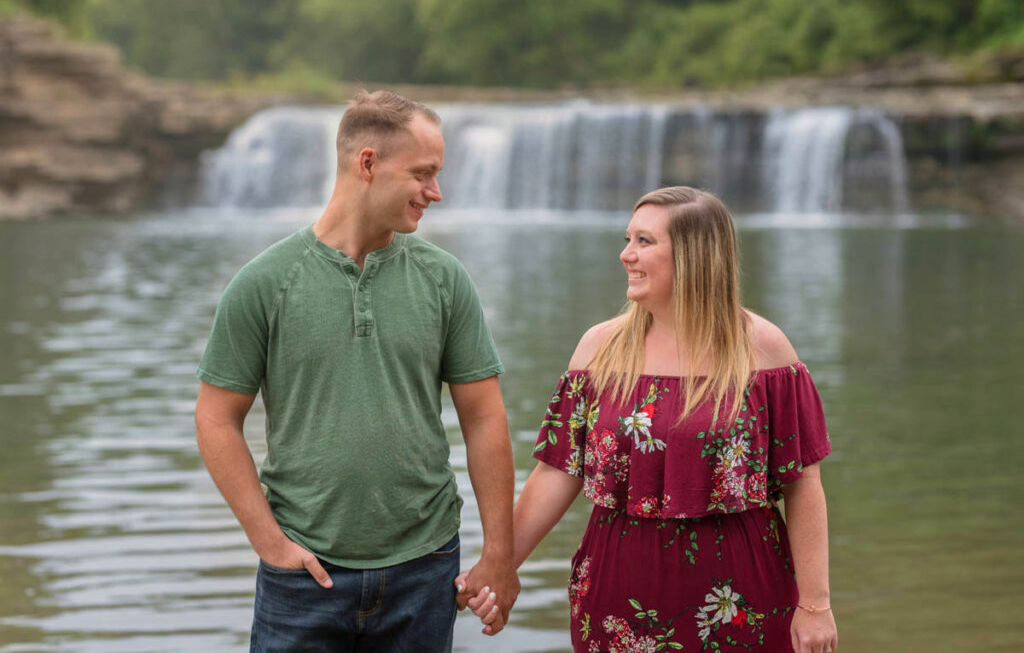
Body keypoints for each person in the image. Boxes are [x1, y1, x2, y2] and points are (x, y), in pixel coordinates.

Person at [194, 90, 519, 652]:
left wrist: (499, 554)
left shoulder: (445, 280)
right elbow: (216, 417)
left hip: (425, 569)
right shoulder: (264, 282)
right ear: (367, 163)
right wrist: (267, 540)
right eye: (423, 173)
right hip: (302, 574)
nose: (435, 193)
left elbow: (485, 419)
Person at [463, 186, 838, 651]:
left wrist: (816, 603)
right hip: (616, 592)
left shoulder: (763, 351)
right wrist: (500, 566)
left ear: (694, 256)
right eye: (627, 239)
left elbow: (802, 483)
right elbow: (557, 473)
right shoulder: (599, 349)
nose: (626, 255)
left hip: (742, 596)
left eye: (644, 242)